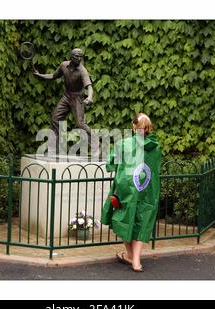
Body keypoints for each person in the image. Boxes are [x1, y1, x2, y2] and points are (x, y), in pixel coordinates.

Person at [101, 113, 161, 272]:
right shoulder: (155, 147)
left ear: (134, 126)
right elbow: (155, 169)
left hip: (126, 190)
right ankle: (135, 261)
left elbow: (111, 164)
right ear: (149, 127)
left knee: (121, 219)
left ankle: (130, 255)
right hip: (147, 191)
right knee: (141, 223)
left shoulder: (124, 144)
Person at [34, 48, 99, 156]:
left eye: (80, 57)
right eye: (76, 56)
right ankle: (55, 148)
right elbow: (53, 76)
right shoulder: (64, 65)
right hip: (66, 96)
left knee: (80, 124)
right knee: (55, 118)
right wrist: (40, 75)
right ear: (71, 57)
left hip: (77, 98)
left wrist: (90, 97)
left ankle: (98, 146)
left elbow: (89, 87)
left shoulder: (82, 71)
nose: (79, 59)